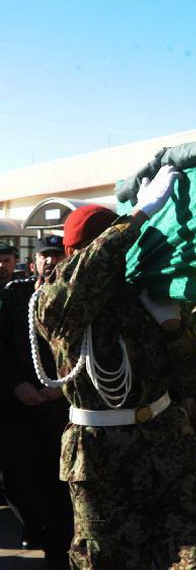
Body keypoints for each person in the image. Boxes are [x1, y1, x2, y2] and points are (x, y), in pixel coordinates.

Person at [33, 167, 196, 567]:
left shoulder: (147, 297)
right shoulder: (57, 305)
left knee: (194, 556)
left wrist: (173, 329)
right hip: (100, 458)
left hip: (165, 446)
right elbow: (81, 281)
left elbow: (194, 379)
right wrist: (136, 219)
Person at [0, 235, 72, 566]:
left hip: (61, 405)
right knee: (21, 480)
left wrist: (63, 386)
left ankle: (59, 547)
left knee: (61, 483)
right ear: (34, 262)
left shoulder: (78, 297)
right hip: (21, 406)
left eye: (57, 255)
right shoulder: (15, 296)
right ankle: (36, 526)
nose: (50, 261)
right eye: (45, 255)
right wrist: (16, 385)